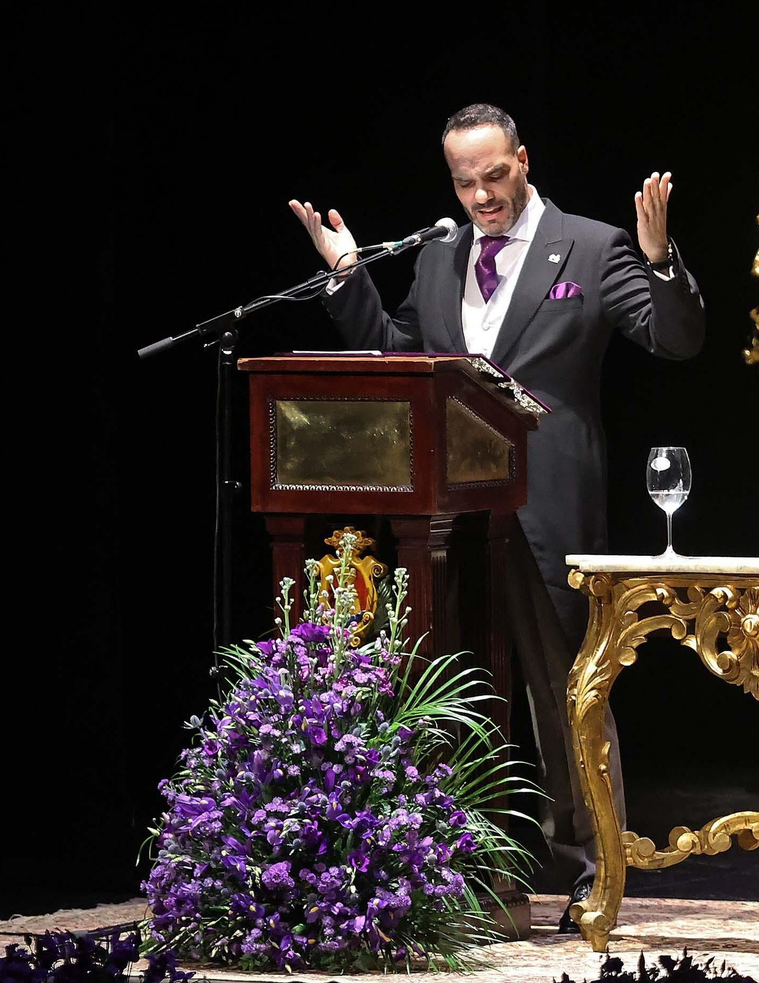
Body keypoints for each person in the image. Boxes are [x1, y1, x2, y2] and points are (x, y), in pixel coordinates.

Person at [289, 103, 705, 931]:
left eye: (493, 176)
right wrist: (348, 277)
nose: (480, 195)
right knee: (461, 693)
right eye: (463, 181)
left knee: (567, 694)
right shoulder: (441, 250)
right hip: (450, 513)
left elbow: (676, 338)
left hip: (548, 507)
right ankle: (465, 867)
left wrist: (660, 261)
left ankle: (598, 867)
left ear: (522, 160)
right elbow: (404, 352)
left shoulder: (589, 245)